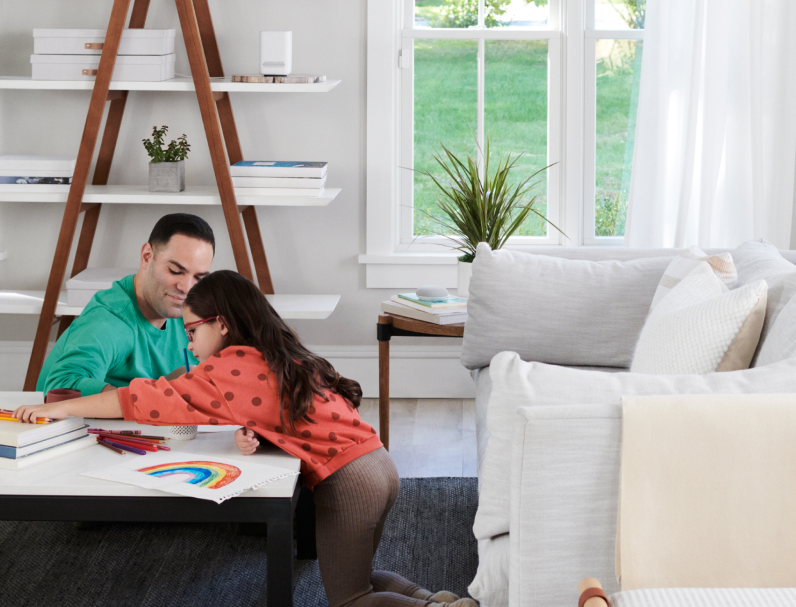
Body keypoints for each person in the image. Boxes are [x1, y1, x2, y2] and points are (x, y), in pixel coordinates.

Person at [16, 270, 465, 607]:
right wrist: (266, 437)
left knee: (350, 600)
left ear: (223, 324)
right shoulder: (277, 354)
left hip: (349, 484)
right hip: (379, 465)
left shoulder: (226, 368)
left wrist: (58, 407)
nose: (189, 344)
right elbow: (302, 417)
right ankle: (439, 600)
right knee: (361, 577)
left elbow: (146, 398)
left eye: (192, 331)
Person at [36, 212, 215, 396]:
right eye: (175, 271)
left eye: (199, 278)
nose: (186, 288)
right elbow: (60, 386)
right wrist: (136, 400)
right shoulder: (110, 321)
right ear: (146, 256)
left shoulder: (192, 312)